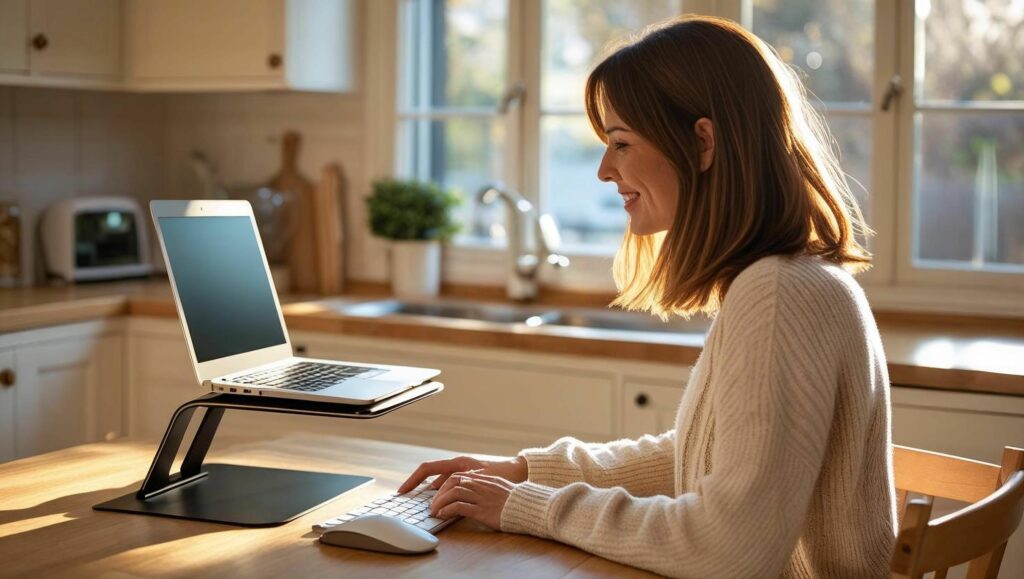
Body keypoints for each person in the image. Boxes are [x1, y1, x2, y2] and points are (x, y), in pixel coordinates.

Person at [399, 14, 896, 578]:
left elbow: (729, 549)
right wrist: (524, 473)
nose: (605, 170)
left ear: (702, 142)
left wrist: (532, 508)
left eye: (622, 143)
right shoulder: (790, 279)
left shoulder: (779, 294)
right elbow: (693, 456)